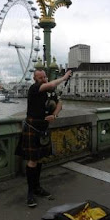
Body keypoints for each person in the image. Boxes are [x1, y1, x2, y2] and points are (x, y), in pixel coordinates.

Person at [15, 69, 72, 207]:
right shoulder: (34, 88)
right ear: (35, 79)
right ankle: (30, 193)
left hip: (43, 128)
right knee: (32, 160)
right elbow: (51, 85)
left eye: (44, 76)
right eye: (40, 77)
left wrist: (55, 115)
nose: (43, 79)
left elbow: (59, 104)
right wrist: (64, 77)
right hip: (33, 127)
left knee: (39, 158)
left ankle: (37, 187)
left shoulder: (50, 92)